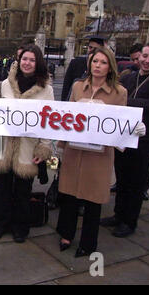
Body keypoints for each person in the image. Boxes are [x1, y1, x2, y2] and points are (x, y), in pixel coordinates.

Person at [56, 47, 130, 258]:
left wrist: (131, 131)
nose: (98, 65)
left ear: (110, 67)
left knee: (92, 200)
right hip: (74, 151)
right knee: (69, 195)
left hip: (99, 155)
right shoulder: (78, 87)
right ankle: (66, 234)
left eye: (103, 62)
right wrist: (61, 146)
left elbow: (120, 125)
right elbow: (67, 118)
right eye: (95, 61)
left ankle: (88, 242)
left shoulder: (119, 92)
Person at [101, 42, 149, 238]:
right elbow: (116, 99)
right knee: (122, 178)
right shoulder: (129, 78)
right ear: (139, 57)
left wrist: (124, 102)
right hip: (123, 135)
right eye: (145, 56)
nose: (147, 61)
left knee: (136, 181)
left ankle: (129, 221)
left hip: (144, 137)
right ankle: (118, 214)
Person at [0, 44, 53, 243]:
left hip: (28, 146)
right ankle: (0, 224)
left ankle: (20, 228)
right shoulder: (5, 84)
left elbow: (48, 121)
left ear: (38, 63)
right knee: (2, 189)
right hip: (4, 145)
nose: (27, 63)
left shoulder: (46, 89)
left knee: (23, 192)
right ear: (19, 60)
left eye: (32, 60)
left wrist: (44, 147)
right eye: (25, 59)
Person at [61, 35, 106, 101]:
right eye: (90, 47)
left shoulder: (104, 65)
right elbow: (66, 85)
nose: (92, 50)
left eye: (95, 49)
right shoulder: (76, 63)